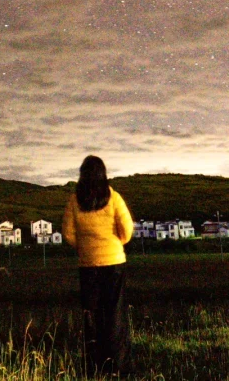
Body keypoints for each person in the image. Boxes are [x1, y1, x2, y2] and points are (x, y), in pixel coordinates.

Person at [61, 155, 134, 374]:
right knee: (115, 315)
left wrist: (85, 248)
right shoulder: (114, 197)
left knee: (91, 315)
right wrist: (115, 244)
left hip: (88, 266)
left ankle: (94, 367)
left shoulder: (74, 200)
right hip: (114, 264)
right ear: (103, 174)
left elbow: (67, 234)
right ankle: (119, 367)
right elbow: (127, 230)